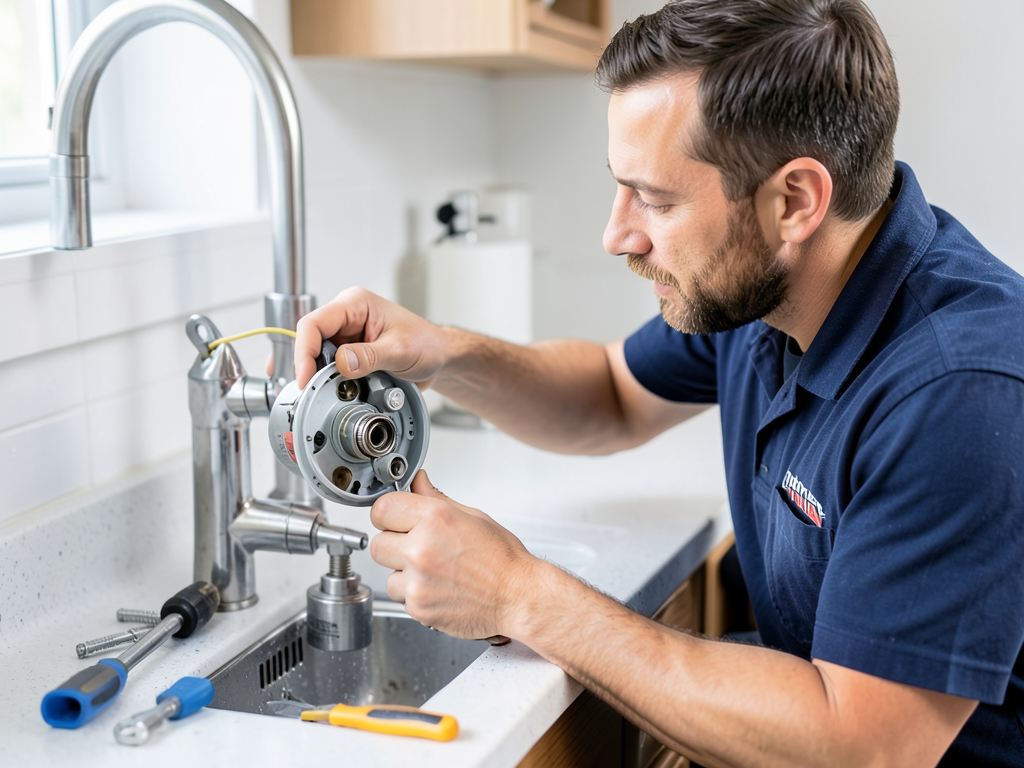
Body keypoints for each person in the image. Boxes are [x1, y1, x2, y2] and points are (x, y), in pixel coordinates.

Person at [293, 1, 1024, 765]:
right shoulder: (772, 292)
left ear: (794, 202)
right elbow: (609, 394)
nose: (618, 235)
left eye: (657, 199)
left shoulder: (960, 390)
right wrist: (441, 354)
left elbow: (860, 748)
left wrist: (520, 593)